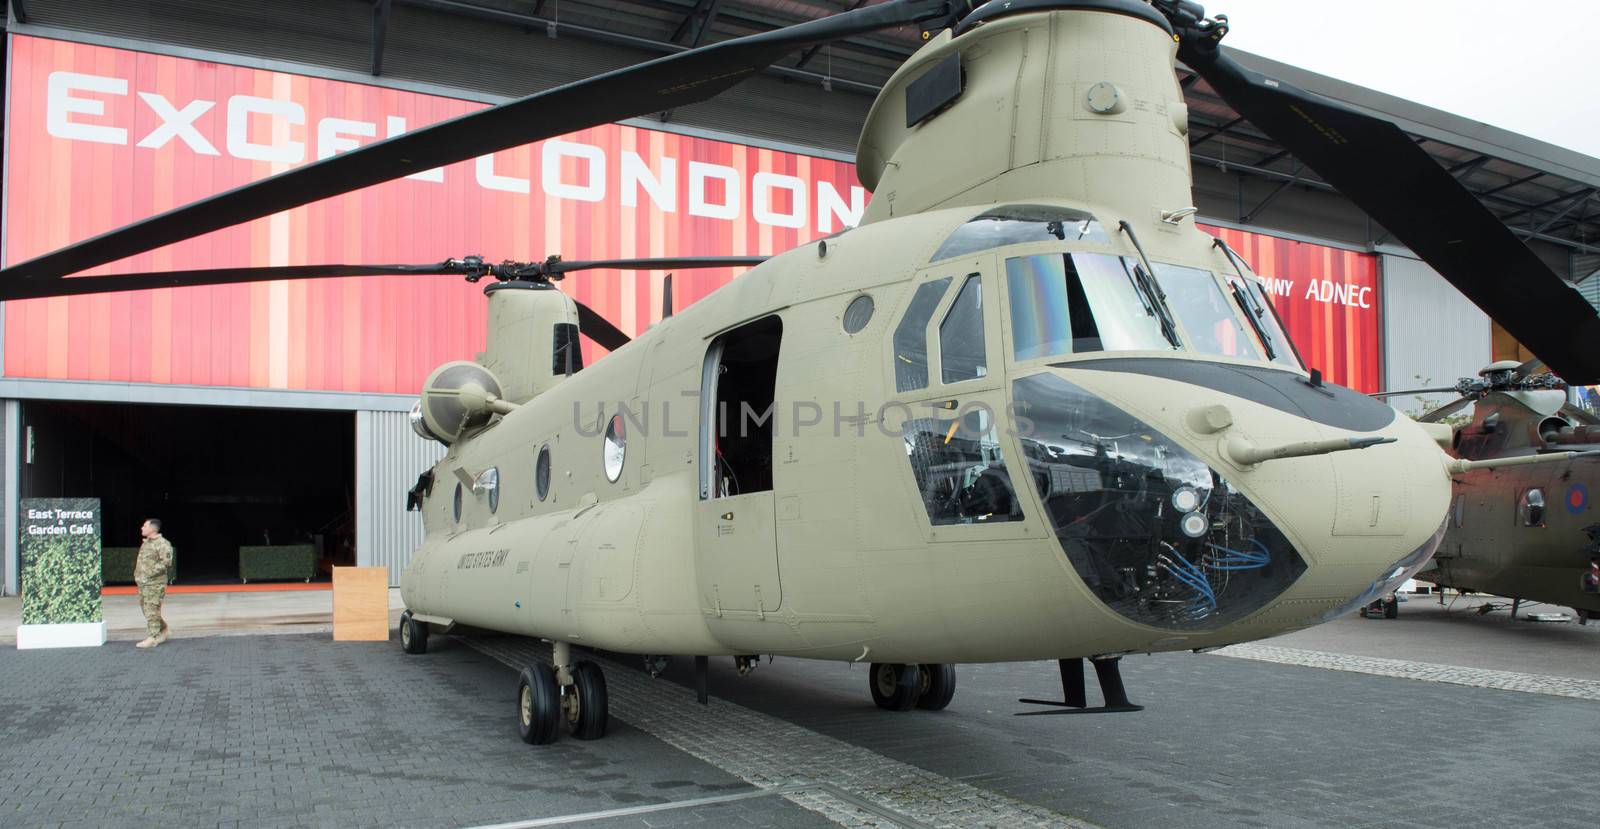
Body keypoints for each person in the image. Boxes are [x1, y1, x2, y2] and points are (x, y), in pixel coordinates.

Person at [134, 518, 174, 648]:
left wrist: (149, 573)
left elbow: (166, 563)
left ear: (152, 528)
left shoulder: (163, 544)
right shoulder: (146, 543)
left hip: (155, 583)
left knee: (152, 609)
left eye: (145, 526)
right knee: (148, 610)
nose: (142, 528)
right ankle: (164, 629)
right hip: (144, 583)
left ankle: (153, 637)